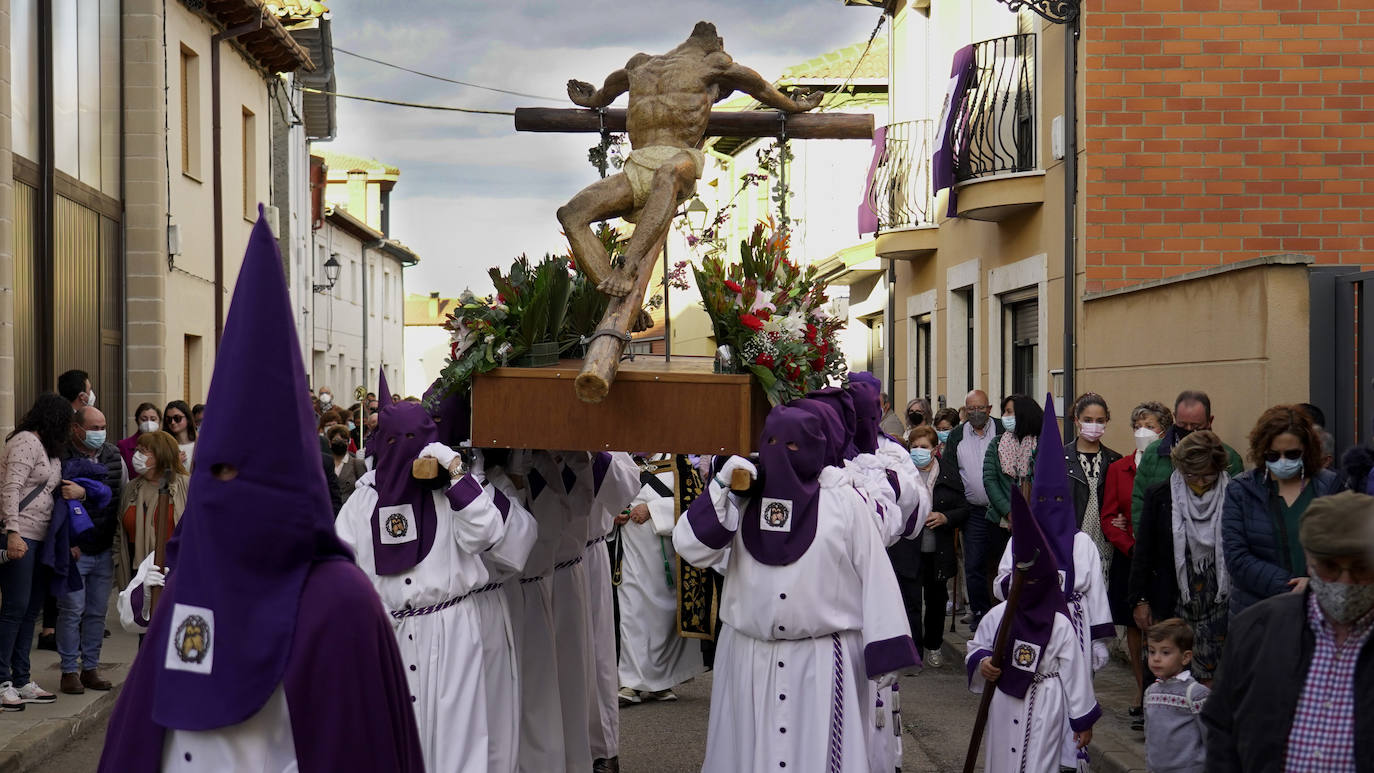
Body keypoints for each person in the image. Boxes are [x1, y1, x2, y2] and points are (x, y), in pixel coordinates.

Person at [100, 211, 423, 770]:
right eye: (215, 474)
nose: (227, 492)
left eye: (244, 474)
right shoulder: (190, 590)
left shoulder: (340, 605)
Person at [674, 402, 919, 771]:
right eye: (771, 442)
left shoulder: (844, 502)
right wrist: (723, 487)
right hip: (748, 658)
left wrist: (886, 648)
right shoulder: (743, 500)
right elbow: (691, 546)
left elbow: (876, 573)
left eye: (793, 446)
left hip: (821, 660)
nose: (781, 454)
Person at [560, 21, 822, 298]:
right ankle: (614, 291)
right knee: (572, 214)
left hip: (680, 160)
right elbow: (757, 86)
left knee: (667, 173)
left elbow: (607, 91)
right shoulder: (714, 64)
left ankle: (628, 267)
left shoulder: (639, 65)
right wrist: (794, 104)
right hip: (637, 165)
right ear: (718, 45)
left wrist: (593, 100)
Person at [335, 378, 509, 773]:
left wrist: (454, 473)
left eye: (417, 438)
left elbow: (489, 533)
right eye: (396, 441)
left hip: (451, 632)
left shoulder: (454, 492)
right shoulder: (365, 498)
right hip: (390, 634)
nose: (406, 449)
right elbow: (342, 564)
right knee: (393, 737)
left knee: (457, 740)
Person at [1202, 489, 1374, 771]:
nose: (1346, 582)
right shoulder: (1257, 629)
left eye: (1361, 569)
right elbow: (1222, 730)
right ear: (1309, 559)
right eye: (1330, 567)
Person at [966, 486, 1100, 773]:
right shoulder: (998, 615)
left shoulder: (1060, 622)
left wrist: (1082, 720)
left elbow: (1075, 672)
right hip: (1004, 700)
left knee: (1039, 763)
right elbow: (977, 647)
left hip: (1044, 699)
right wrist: (984, 663)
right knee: (1001, 760)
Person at [1223, 405, 1345, 616]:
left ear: (1306, 450)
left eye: (1292, 454)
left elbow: (1345, 547)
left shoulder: (1330, 486)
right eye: (1273, 455)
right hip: (1258, 614)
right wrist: (1291, 587)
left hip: (1320, 613)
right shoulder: (1241, 490)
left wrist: (1315, 583)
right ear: (1262, 451)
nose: (1283, 461)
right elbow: (1237, 557)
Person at [1130, 431, 1233, 683]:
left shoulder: (1234, 495)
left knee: (1212, 676)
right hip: (1173, 599)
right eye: (1191, 475)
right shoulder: (1161, 495)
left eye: (1207, 475)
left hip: (1218, 601)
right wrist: (1140, 600)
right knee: (1169, 671)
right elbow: (1144, 551)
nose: (1199, 481)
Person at [1101, 400, 1173, 723]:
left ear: (1165, 431)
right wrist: (1130, 546)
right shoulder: (1119, 468)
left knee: (1159, 624)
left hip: (1161, 557)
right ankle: (1140, 686)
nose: (1143, 432)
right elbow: (1109, 517)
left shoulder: (1171, 463)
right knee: (1132, 624)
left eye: (1151, 426)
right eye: (1138, 426)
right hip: (1130, 555)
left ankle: (1160, 687)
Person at [0, 393, 72, 710]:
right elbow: (11, 488)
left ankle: (21, 678)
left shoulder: (51, 449)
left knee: (31, 610)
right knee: (14, 608)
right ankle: (2, 681)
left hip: (43, 538)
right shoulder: (26, 442)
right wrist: (12, 532)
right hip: (21, 536)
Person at [616, 454, 706, 704]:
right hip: (631, 550)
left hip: (668, 555)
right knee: (632, 612)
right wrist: (616, 514)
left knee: (664, 616)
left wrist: (654, 510)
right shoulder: (623, 460)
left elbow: (695, 503)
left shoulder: (679, 463)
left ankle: (661, 681)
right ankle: (631, 682)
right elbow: (605, 498)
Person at [56, 406, 126, 695]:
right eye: (94, 427)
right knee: (71, 610)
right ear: (76, 429)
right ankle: (69, 670)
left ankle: (90, 668)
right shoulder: (61, 456)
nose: (100, 432)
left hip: (104, 547)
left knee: (97, 612)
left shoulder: (112, 456)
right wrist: (66, 542)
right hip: (75, 549)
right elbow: (55, 505)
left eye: (103, 426)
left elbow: (120, 498)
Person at [1132, 391, 1244, 534]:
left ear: (1210, 421)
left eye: (1196, 426)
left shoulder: (1229, 457)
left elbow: (1236, 509)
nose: (1189, 431)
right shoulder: (1154, 452)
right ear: (1175, 418)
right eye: (1183, 426)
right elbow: (1139, 502)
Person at [945, 389, 1005, 632]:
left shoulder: (1003, 430)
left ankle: (1004, 613)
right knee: (974, 564)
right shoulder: (957, 436)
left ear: (990, 409)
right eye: (971, 409)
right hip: (974, 512)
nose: (976, 413)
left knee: (1004, 562)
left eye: (981, 408)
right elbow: (950, 471)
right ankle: (980, 614)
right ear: (965, 410)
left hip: (1002, 510)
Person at [901, 425, 959, 667]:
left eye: (924, 447)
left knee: (936, 601)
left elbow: (963, 507)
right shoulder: (902, 474)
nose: (918, 451)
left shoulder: (948, 474)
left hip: (938, 548)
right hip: (909, 548)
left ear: (935, 449)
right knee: (911, 601)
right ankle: (914, 651)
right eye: (914, 447)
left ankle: (933, 645)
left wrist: (946, 517)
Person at [116, 431, 189, 592]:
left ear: (161, 454)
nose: (137, 455)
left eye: (143, 451)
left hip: (177, 569)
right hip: (138, 569)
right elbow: (119, 532)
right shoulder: (131, 488)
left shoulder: (186, 485)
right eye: (137, 450)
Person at [1143, 618, 1208, 773]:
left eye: (1165, 652)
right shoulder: (1151, 692)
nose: (1156, 658)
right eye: (1152, 651)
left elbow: (1212, 737)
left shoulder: (1196, 693)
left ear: (1185, 657)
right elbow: (1149, 735)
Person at [983, 395, 1041, 533]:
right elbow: (990, 481)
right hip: (1000, 521)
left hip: (1036, 521)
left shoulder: (1041, 444)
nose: (1004, 416)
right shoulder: (996, 444)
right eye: (1004, 411)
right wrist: (1009, 511)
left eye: (1009, 412)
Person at [118, 402, 162, 479]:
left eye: (153, 419)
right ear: (137, 421)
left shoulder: (166, 445)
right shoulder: (124, 445)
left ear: (159, 421)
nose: (148, 423)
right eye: (144, 419)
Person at [326, 425, 366, 504]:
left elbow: (364, 491)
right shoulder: (325, 463)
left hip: (350, 510)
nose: (340, 443)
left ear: (348, 443)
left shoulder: (357, 464)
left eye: (344, 441)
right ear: (330, 443)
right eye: (336, 440)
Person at [162, 399, 197, 471]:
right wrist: (174, 465)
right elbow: (160, 478)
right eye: (169, 419)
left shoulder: (199, 443)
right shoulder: (163, 446)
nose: (172, 422)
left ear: (188, 418)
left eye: (177, 418)